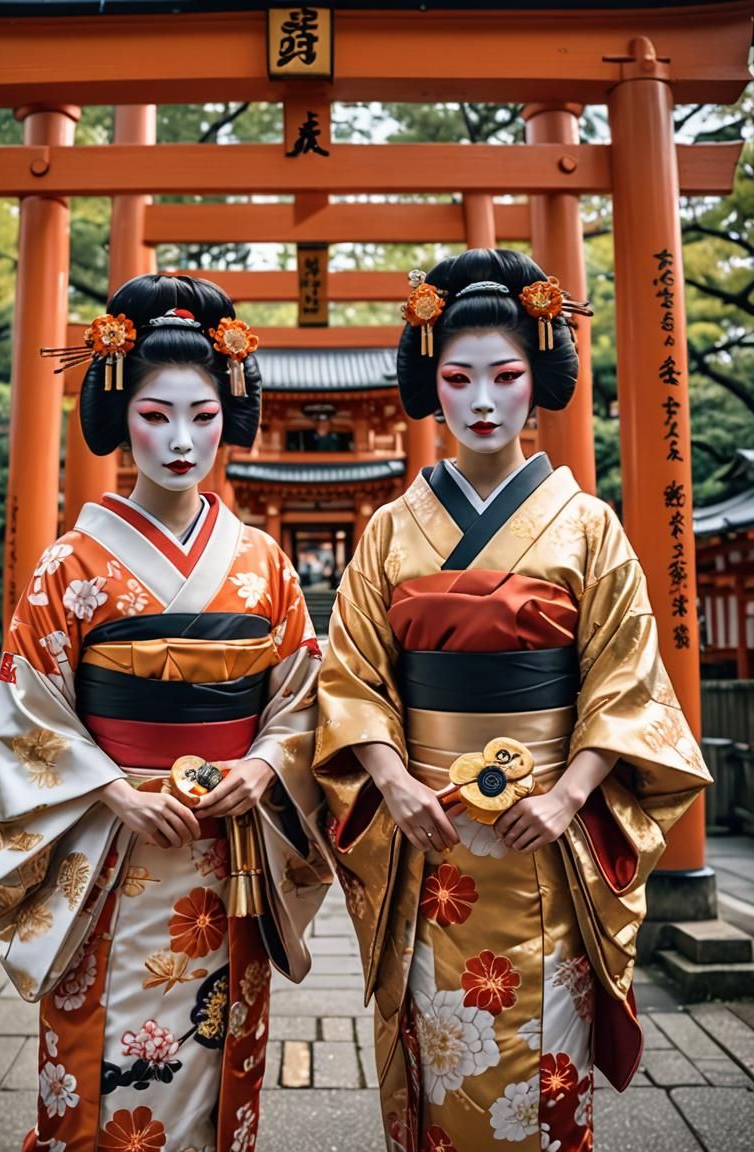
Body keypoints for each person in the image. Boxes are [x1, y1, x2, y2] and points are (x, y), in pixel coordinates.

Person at [313, 249, 710, 1152]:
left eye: (505, 376)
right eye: (457, 379)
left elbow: (625, 679)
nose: (482, 401)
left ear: (538, 383)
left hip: (549, 838)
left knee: (544, 1063)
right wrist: (393, 785)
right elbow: (350, 679)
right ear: (432, 387)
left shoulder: (587, 525)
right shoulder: (389, 529)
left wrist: (571, 794)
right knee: (439, 1054)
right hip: (430, 844)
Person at [0, 274, 332, 1152]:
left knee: (215, 1070)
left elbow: (303, 701)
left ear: (228, 415)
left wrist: (265, 766)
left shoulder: (265, 564)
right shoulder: (69, 565)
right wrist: (110, 791)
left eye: (203, 416)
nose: (180, 440)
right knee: (102, 1083)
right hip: (108, 860)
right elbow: (28, 714)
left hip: (224, 858)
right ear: (120, 414)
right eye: (155, 415)